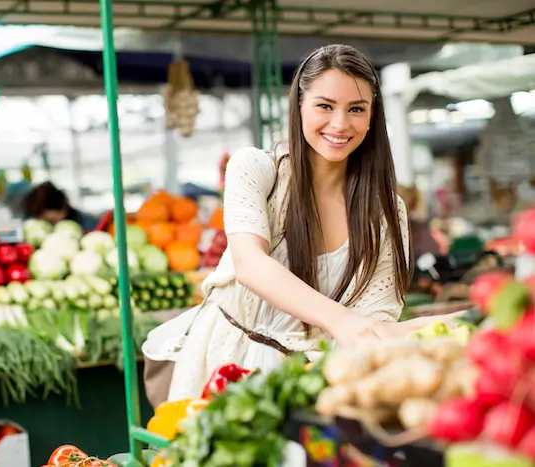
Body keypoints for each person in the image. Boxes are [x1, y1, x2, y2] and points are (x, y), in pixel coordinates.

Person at [142, 44, 418, 404]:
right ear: (299, 105)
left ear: (371, 116)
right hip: (224, 365)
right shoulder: (256, 168)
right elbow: (250, 265)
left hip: (308, 380)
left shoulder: (385, 210)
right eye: (325, 105)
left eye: (356, 109)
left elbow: (376, 314)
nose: (340, 123)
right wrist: (341, 321)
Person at [23, 181, 98, 231]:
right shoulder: (29, 226)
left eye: (51, 221)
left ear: (63, 210)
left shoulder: (88, 224)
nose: (49, 226)